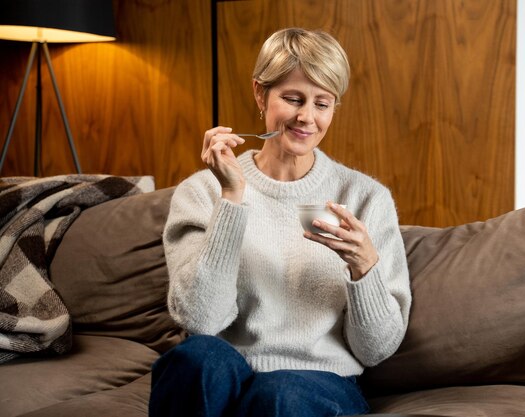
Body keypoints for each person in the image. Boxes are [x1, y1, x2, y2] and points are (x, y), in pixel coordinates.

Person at [149, 27, 411, 417]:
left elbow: (375, 350)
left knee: (279, 396)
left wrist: (364, 268)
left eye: (323, 104)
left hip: (319, 382)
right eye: (293, 98)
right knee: (194, 359)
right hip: (230, 372)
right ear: (260, 93)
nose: (307, 117)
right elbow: (200, 319)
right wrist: (232, 199)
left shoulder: (365, 198)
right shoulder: (204, 191)